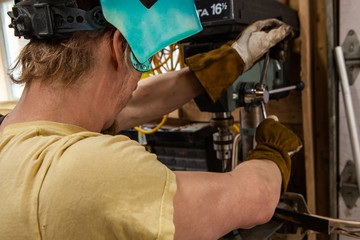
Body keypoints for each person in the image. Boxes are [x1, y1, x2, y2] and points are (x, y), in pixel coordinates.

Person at [0, 0, 302, 239]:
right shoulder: (91, 173)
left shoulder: (15, 133)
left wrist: (229, 60)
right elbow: (254, 200)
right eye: (140, 61)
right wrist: (273, 151)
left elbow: (131, 103)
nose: (138, 78)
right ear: (119, 47)